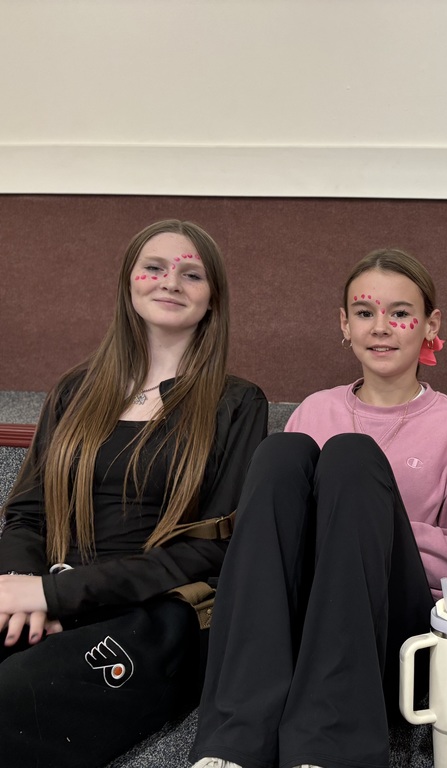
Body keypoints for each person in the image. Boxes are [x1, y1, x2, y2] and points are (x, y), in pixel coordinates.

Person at [190, 248, 447, 768]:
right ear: (344, 325)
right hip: (299, 624)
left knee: (351, 460)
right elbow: (276, 539)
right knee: (283, 453)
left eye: (400, 313)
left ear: (429, 325)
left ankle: (330, 748)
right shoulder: (314, 410)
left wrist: (378, 526)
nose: (382, 328)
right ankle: (233, 744)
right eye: (365, 313)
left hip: (390, 629)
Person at [0, 219, 268, 767]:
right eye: (155, 268)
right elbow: (27, 513)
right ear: (129, 282)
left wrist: (61, 597)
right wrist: (21, 590)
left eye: (191, 274)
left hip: (158, 614)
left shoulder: (236, 403)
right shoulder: (76, 389)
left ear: (212, 299)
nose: (170, 281)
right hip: (41, 592)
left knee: (13, 700)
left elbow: (213, 549)